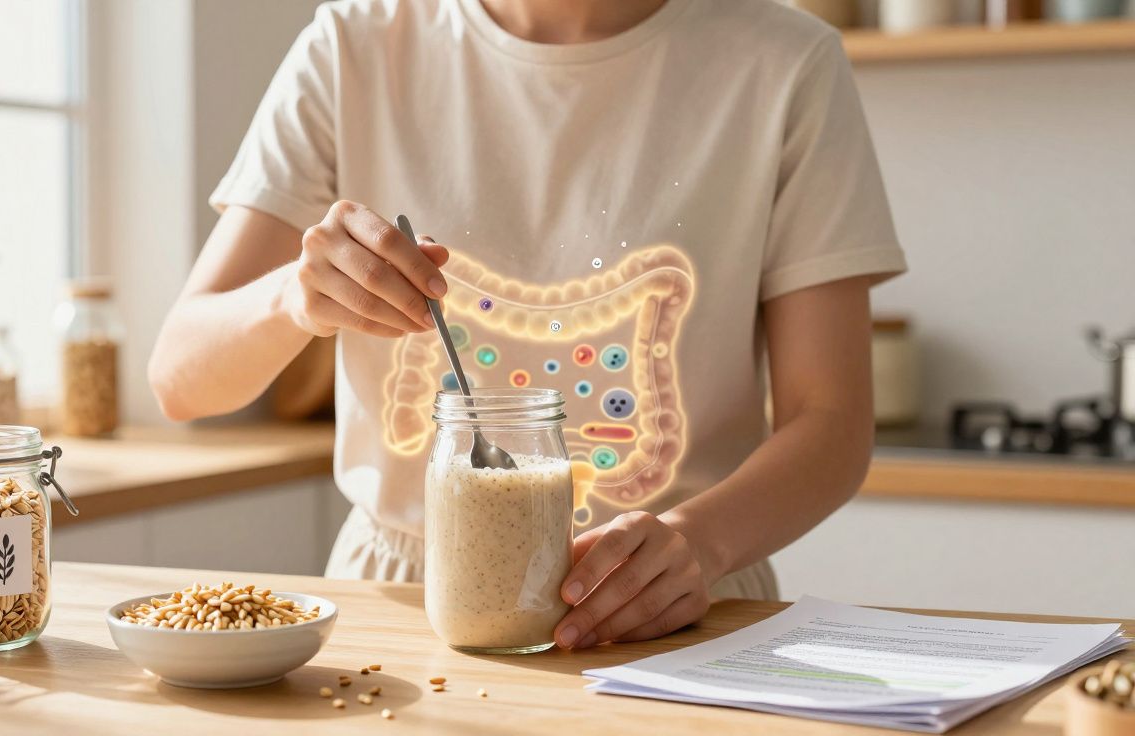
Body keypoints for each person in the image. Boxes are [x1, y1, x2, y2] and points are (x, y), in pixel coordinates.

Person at [149, 0, 907, 650]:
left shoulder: (785, 62)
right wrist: (296, 298)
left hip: (680, 605)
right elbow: (180, 377)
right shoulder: (354, 44)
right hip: (407, 602)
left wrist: (698, 543)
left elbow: (831, 419)